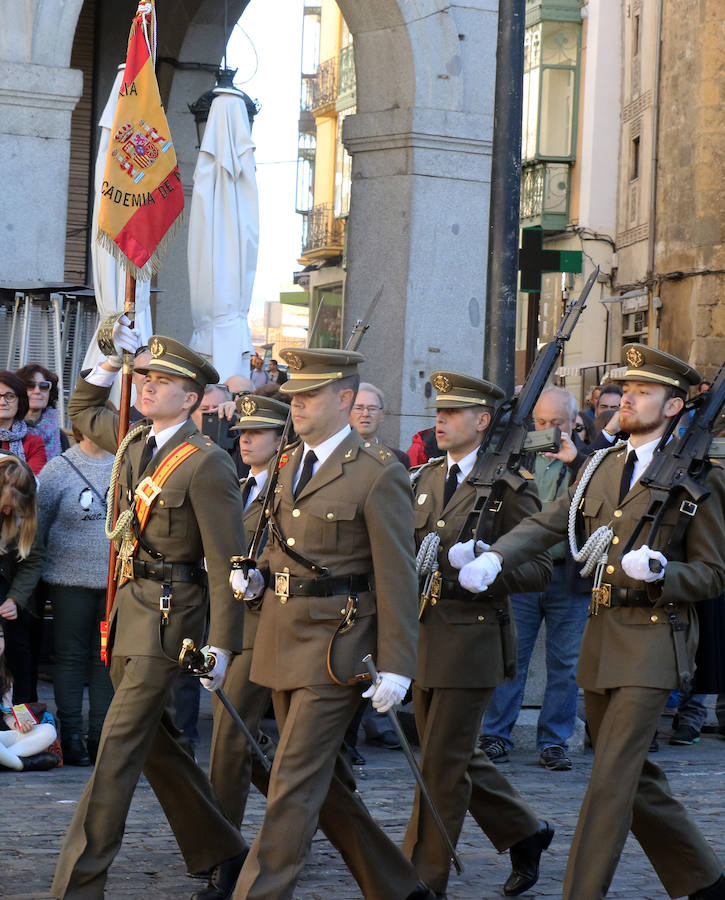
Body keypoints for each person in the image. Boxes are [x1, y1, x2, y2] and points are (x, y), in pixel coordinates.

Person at [456, 344, 725, 900]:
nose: (627, 398)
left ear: (675, 407)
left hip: (654, 638)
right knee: (629, 773)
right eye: (625, 390)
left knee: (608, 783)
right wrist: (497, 555)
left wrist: (662, 572)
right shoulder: (604, 464)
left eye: (643, 392)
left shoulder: (700, 478)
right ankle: (704, 881)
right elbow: (554, 521)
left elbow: (713, 574)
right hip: (603, 637)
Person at [52, 326, 248, 900]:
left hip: (172, 618)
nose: (147, 388)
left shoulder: (207, 463)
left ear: (191, 398)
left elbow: (225, 560)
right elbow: (83, 405)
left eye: (161, 382)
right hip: (128, 611)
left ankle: (79, 884)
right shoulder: (134, 442)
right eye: (146, 378)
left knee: (116, 748)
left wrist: (224, 645)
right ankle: (221, 847)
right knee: (155, 744)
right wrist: (110, 361)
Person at [231, 347, 434, 900]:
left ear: (345, 399)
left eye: (309, 394)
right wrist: (258, 576)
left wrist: (396, 665)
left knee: (292, 781)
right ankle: (397, 886)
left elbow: (396, 575)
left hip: (337, 648)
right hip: (281, 636)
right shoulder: (287, 462)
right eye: (294, 393)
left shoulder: (377, 473)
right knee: (315, 780)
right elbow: (281, 541)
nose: (296, 403)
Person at [402, 371, 554, 899]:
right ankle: (524, 832)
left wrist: (488, 565)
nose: (439, 421)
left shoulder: (512, 487)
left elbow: (540, 570)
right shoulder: (423, 481)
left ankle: (419, 879)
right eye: (438, 412)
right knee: (453, 754)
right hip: (422, 637)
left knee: (442, 765)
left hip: (472, 641)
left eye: (453, 413)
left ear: (483, 421)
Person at [481, 387, 590, 771]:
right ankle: (495, 734)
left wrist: (576, 460)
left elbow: (603, 496)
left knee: (566, 663)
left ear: (574, 421)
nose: (547, 429)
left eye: (556, 422)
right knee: (513, 655)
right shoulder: (518, 454)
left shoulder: (591, 460)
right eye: (540, 422)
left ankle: (554, 741)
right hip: (523, 572)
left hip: (568, 576)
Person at [36, 424, 114, 766]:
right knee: (70, 658)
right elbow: (37, 525)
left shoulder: (124, 465)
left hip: (115, 583)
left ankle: (99, 736)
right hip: (69, 581)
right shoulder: (58, 468)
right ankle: (71, 737)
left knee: (105, 661)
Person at [0, 456, 45, 705]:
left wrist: (14, 599)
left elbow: (34, 560)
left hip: (11, 577)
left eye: (13, 509)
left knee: (17, 641)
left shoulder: (27, 505)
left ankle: (23, 712)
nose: (8, 511)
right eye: (5, 505)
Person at [0, 624, 59, 771]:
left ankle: (6, 760)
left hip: (2, 738)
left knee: (48, 731)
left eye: (0, 636)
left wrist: (17, 724)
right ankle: (21, 764)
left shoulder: (5, 675)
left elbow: (7, 713)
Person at [350, 381, 410, 468]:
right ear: (348, 413)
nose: (365, 414)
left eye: (372, 408)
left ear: (382, 415)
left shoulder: (398, 459)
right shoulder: (333, 454)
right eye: (359, 408)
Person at [17, 363, 69, 461]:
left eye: (44, 386)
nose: (37, 391)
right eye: (30, 386)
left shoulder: (60, 436)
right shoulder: (7, 431)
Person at [0, 372, 47, 475]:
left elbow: (33, 484)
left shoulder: (34, 444)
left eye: (10, 396)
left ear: (20, 402)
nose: (2, 402)